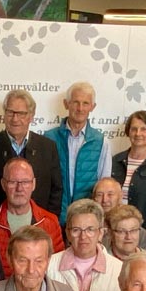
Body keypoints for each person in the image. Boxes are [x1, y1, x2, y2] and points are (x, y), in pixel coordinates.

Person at [0, 87, 62, 213]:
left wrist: (48, 220)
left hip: (38, 222)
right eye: (10, 112)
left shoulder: (48, 147)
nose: (15, 119)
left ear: (31, 116)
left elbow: (56, 190)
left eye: (21, 114)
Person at [0, 156, 65, 273]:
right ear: (3, 184)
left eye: (25, 182)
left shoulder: (51, 222)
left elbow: (57, 269)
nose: (19, 188)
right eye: (13, 182)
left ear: (34, 184)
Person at [47, 198, 124, 291]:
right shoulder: (49, 266)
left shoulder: (119, 269)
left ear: (100, 233)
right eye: (76, 230)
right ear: (67, 233)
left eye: (90, 229)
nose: (83, 236)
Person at [44, 81, 110, 214]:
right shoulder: (49, 138)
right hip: (55, 212)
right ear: (66, 104)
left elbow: (104, 183)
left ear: (92, 107)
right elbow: (43, 180)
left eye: (85, 103)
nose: (80, 108)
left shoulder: (101, 141)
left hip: (87, 215)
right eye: (75, 102)